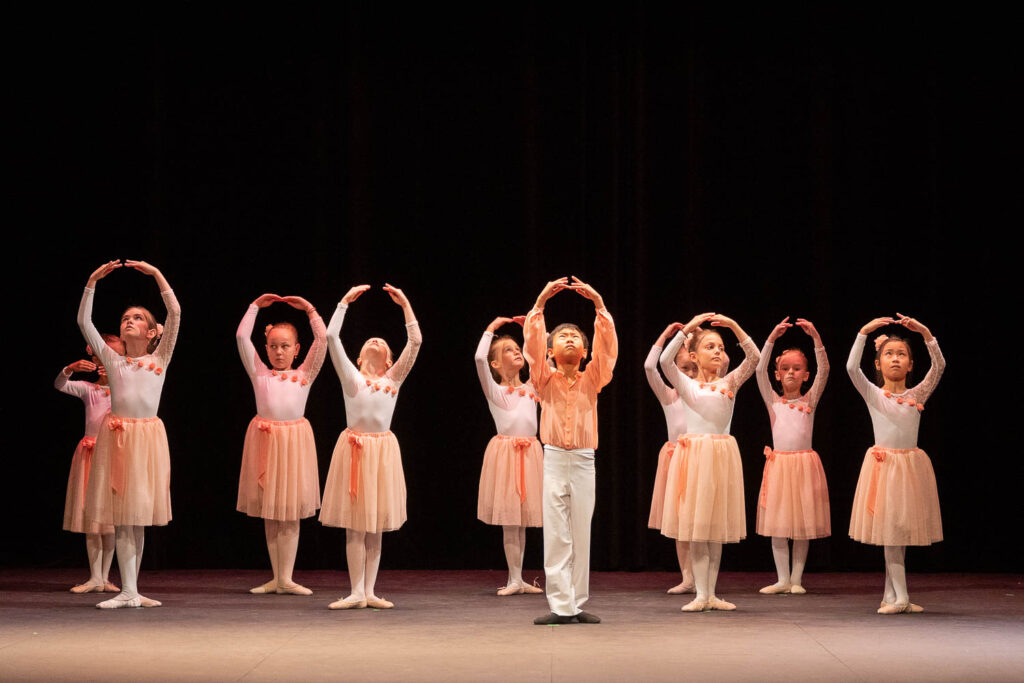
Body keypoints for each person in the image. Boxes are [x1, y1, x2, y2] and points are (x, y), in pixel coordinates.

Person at [79, 259, 180, 609]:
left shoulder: (159, 359)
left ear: (152, 333)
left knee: (137, 518)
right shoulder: (113, 361)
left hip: (148, 441)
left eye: (137, 318)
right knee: (123, 517)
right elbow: (84, 322)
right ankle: (128, 591)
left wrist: (157, 274)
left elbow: (175, 313)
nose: (129, 321)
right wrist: (92, 281)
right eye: (125, 318)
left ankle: (133, 590)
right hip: (119, 440)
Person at [320, 284, 421, 610]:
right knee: (355, 526)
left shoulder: (393, 380)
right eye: (369, 342)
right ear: (359, 358)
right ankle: (355, 591)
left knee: (375, 525)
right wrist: (343, 302)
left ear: (390, 360)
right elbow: (331, 338)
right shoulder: (351, 378)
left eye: (382, 342)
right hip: (355, 452)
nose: (375, 340)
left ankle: (370, 591)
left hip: (382, 454)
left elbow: (415, 342)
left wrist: (405, 305)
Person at [524, 276, 617, 625]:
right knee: (556, 534)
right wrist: (540, 303)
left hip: (582, 460)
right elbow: (532, 348)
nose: (569, 339)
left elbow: (608, 350)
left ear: (585, 351)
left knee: (580, 532)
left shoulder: (593, 377)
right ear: (551, 351)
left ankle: (576, 603)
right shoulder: (543, 378)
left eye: (575, 337)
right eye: (562, 336)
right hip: (553, 459)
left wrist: (599, 305)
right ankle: (560, 605)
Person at [659, 313, 759, 612]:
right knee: (698, 527)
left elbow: (754, 358)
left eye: (720, 347)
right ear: (694, 356)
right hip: (695, 459)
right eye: (710, 347)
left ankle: (711, 594)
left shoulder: (730, 381)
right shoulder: (687, 385)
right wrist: (688, 329)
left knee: (715, 530)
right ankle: (700, 594)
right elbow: (664, 361)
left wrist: (734, 326)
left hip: (722, 458)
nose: (717, 351)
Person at [847, 313, 944, 614]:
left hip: (910, 470)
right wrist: (863, 333)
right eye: (888, 354)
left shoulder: (918, 393)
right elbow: (851, 368)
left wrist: (926, 333)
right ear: (878, 364)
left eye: (901, 354)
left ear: (910, 364)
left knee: (898, 535)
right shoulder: (874, 395)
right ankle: (901, 598)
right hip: (885, 469)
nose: (895, 359)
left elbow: (939, 366)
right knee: (891, 535)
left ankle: (891, 596)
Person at [236, 293, 326, 596]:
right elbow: (241, 337)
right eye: (273, 346)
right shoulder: (260, 374)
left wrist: (311, 310)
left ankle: (286, 578)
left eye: (285, 346)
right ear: (266, 348)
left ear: (297, 349)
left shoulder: (304, 375)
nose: (278, 352)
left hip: (293, 446)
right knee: (271, 511)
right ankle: (277, 578)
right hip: (265, 444)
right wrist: (254, 307)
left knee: (289, 512)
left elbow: (323, 340)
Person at [754, 317, 830, 595]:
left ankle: (796, 579)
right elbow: (759, 370)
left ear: (805, 376)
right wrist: (770, 339)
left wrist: (816, 339)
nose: (790, 373)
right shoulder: (773, 401)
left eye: (797, 369)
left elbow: (825, 370)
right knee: (778, 524)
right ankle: (782, 579)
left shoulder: (810, 401)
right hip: (780, 467)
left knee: (801, 525)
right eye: (785, 369)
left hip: (804, 466)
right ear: (777, 374)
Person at [475, 316, 544, 596]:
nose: (516, 351)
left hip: (530, 454)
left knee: (522, 521)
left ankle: (519, 578)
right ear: (495, 364)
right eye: (507, 350)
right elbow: (478, 359)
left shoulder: (532, 387)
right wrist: (491, 330)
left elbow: (542, 359)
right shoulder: (496, 391)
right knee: (510, 522)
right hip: (506, 456)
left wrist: (533, 332)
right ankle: (514, 578)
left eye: (517, 349)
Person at [54, 334, 124, 593]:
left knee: (112, 521)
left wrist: (119, 381)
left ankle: (105, 577)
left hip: (115, 457)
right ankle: (95, 576)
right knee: (93, 520)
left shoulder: (125, 392)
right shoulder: (89, 389)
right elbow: (60, 384)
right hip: (91, 455)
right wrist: (69, 369)